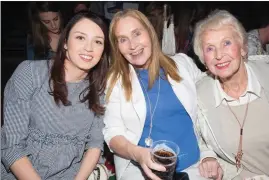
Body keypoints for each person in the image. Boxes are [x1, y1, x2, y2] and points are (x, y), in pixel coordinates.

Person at [103, 9, 223, 180]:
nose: (132, 45)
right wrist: (138, 154)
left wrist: (208, 153)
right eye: (123, 39)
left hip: (197, 168)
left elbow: (208, 111)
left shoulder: (183, 64)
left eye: (137, 33)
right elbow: (113, 133)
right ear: (117, 47)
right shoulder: (115, 82)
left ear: (150, 32)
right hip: (141, 171)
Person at [1, 11, 109, 179]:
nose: (89, 48)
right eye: (80, 38)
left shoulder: (99, 89)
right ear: (65, 42)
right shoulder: (30, 73)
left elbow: (95, 144)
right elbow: (13, 146)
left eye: (98, 42)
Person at [193, 9, 269, 180]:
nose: (219, 55)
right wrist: (207, 155)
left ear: (242, 48)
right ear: (204, 59)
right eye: (210, 48)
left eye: (226, 43)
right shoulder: (200, 94)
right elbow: (198, 135)